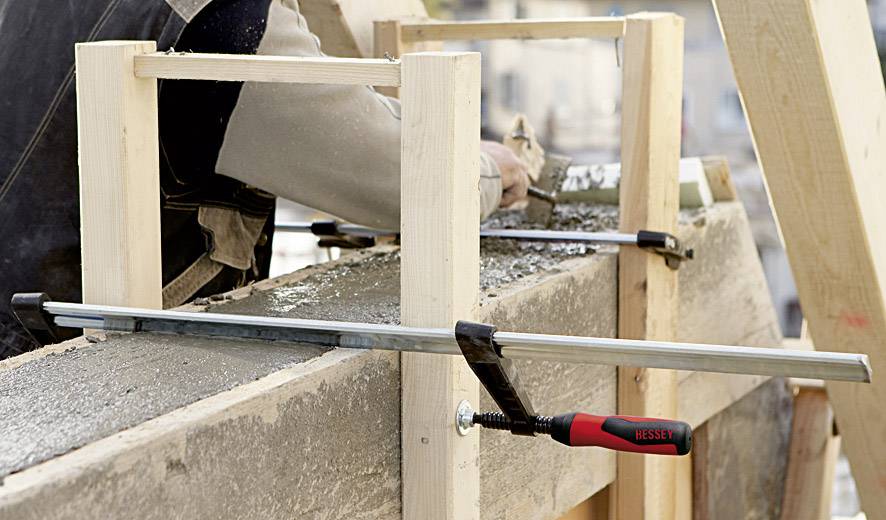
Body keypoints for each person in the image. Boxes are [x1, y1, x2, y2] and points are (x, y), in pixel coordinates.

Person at [0, 0, 531, 358]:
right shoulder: (219, 16)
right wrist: (489, 167)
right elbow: (403, 181)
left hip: (29, 340)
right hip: (78, 362)